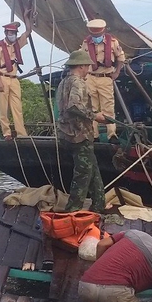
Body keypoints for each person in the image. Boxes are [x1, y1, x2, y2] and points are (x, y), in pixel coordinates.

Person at [56, 50, 108, 213]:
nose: (88, 70)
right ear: (81, 66)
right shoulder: (78, 83)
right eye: (87, 66)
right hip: (79, 135)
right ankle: (72, 210)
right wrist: (95, 116)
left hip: (67, 133)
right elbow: (74, 105)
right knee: (83, 175)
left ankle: (99, 205)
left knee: (92, 169)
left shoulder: (63, 82)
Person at [80, 18, 126, 144]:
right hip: (90, 76)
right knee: (91, 107)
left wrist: (117, 72)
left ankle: (112, 134)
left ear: (103, 31)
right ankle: (94, 135)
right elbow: (81, 58)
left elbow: (121, 57)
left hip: (106, 77)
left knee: (108, 107)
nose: (95, 36)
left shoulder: (113, 42)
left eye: (98, 34)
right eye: (93, 34)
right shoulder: (86, 42)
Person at [0, 11, 34, 140]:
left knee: (17, 108)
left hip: (14, 79)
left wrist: (26, 18)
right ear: (6, 33)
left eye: (14, 33)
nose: (13, 35)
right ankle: (7, 133)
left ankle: (21, 133)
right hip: (3, 77)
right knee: (3, 108)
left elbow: (28, 32)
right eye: (11, 33)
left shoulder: (17, 44)